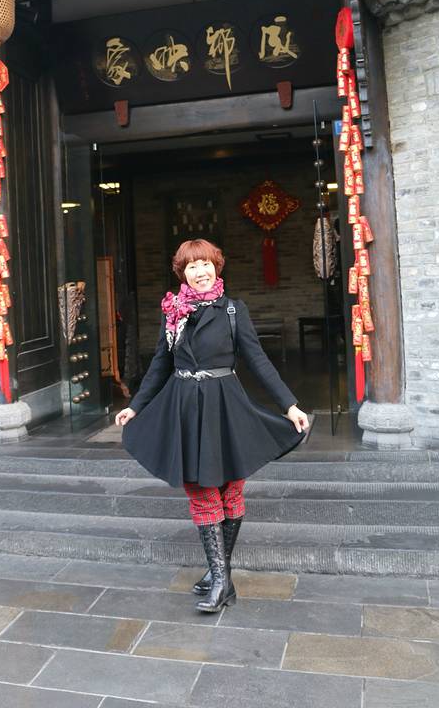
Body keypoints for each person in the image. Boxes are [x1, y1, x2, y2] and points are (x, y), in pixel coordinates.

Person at [115, 238, 309, 615]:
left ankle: (220, 576)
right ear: (182, 273)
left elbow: (258, 360)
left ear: (216, 267)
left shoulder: (234, 310)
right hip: (185, 407)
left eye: (205, 263)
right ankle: (221, 579)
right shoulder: (173, 312)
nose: (200, 271)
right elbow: (160, 365)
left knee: (230, 489)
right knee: (202, 490)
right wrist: (135, 406)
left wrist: (289, 405)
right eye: (192, 266)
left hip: (225, 406)